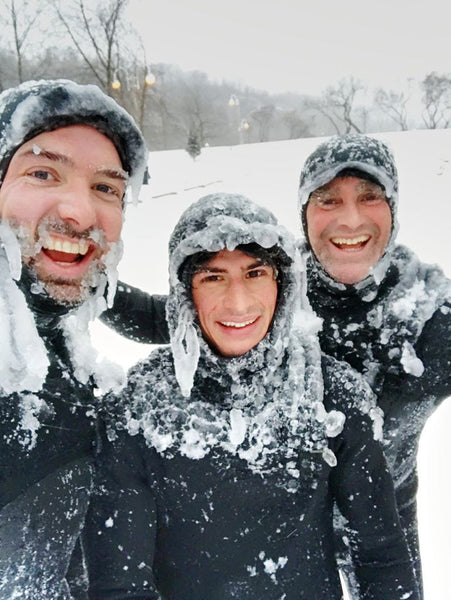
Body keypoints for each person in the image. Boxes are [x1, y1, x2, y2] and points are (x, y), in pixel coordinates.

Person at [84, 193, 419, 600]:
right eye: (213, 277)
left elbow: (380, 556)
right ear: (184, 292)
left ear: (282, 283)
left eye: (255, 273)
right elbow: (120, 585)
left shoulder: (333, 394)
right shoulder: (136, 408)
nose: (238, 302)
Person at [0, 78, 148, 599]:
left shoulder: (53, 314)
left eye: (107, 188)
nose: (80, 213)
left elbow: (156, 314)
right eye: (43, 172)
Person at [297, 133, 451, 598]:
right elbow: (176, 314)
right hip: (288, 520)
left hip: (390, 517)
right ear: (304, 214)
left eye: (370, 196)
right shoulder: (268, 296)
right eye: (328, 199)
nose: (350, 218)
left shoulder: (430, 316)